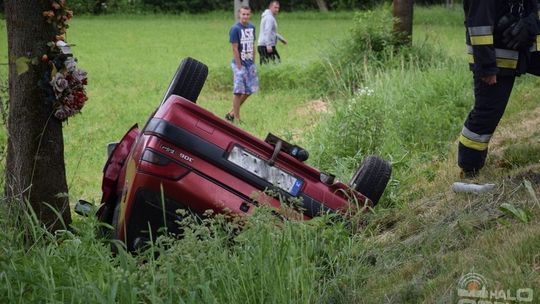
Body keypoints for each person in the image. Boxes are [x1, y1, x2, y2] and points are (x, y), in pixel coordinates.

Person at [458, 0, 539, 178]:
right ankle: (469, 167)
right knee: (488, 112)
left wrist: (533, 21)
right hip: (496, 57)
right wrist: (486, 67)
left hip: (527, 44)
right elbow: (479, 26)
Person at [226, 6, 259, 123]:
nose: (245, 16)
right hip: (239, 64)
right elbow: (234, 49)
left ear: (250, 15)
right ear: (239, 14)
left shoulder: (252, 27)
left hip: (250, 64)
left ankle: (231, 113)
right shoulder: (235, 29)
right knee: (238, 91)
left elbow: (252, 45)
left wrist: (253, 63)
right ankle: (237, 118)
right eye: (243, 14)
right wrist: (239, 66)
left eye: (247, 14)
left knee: (250, 90)